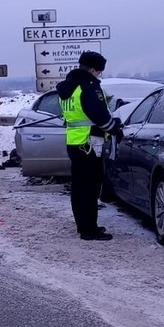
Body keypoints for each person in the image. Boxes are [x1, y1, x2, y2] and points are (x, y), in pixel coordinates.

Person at [56, 51, 123, 241]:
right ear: (93, 70)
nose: (99, 75)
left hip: (74, 142)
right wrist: (115, 128)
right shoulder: (89, 87)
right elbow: (100, 116)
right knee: (91, 188)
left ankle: (83, 226)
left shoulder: (68, 87)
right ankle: (89, 230)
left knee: (79, 187)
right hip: (90, 144)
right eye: (99, 72)